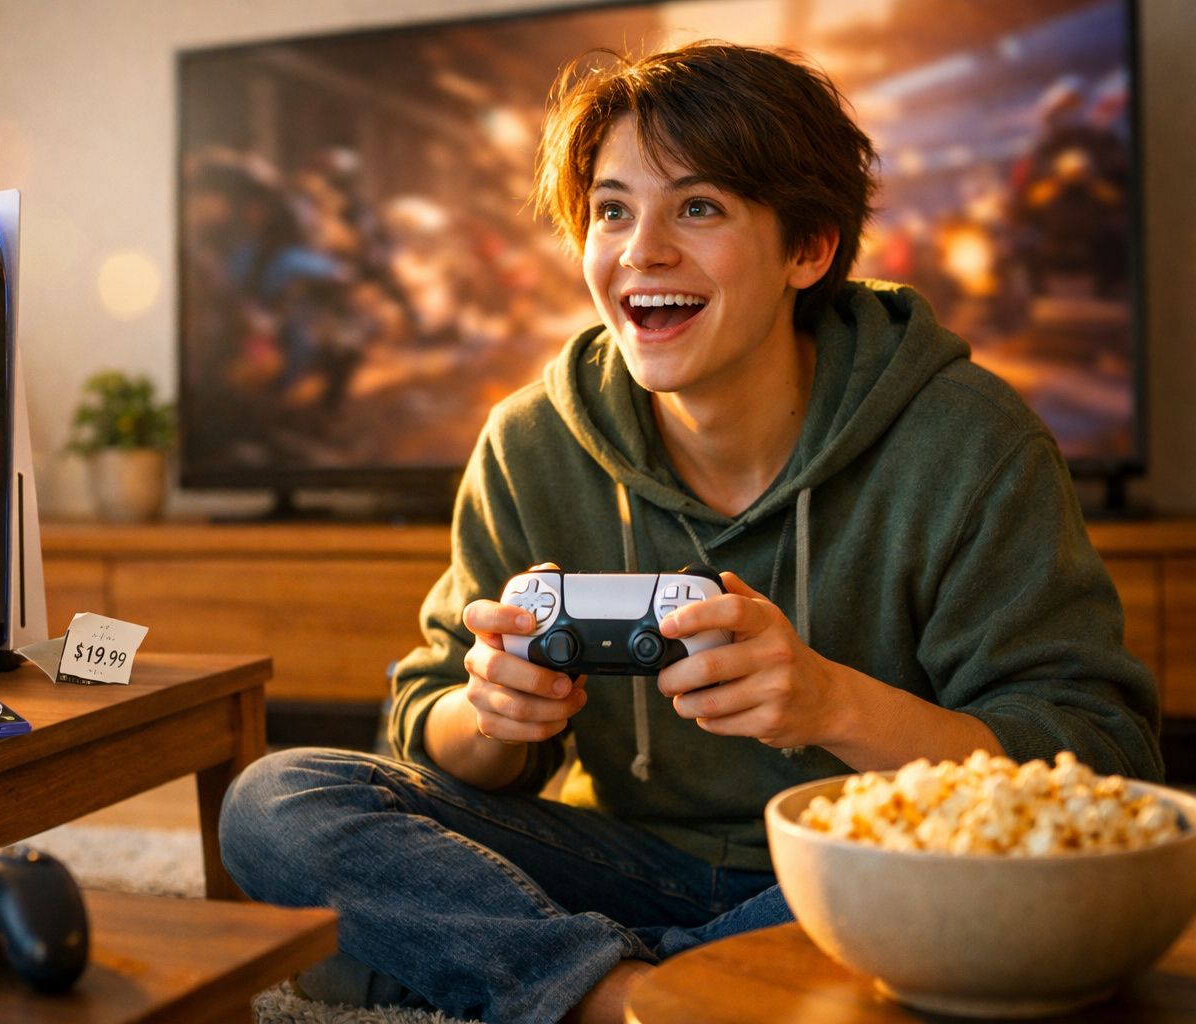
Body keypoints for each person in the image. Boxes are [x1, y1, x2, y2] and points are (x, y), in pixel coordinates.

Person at [219, 42, 1162, 1024]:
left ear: (810, 249)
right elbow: (424, 738)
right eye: (613, 209)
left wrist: (831, 702)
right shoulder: (531, 440)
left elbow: (1106, 769)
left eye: (698, 207)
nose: (641, 252)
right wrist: (493, 717)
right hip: (618, 861)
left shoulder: (968, 439)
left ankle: (549, 977)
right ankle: (641, 993)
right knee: (276, 802)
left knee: (991, 924)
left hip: (862, 871)